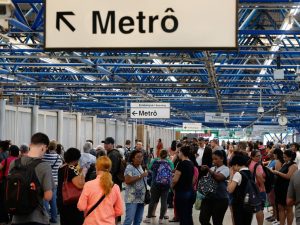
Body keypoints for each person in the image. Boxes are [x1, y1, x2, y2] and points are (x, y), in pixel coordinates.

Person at [9, 132, 54, 225]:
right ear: (43, 147)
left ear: (30, 145)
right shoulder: (44, 166)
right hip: (37, 217)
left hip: (16, 217)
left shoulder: (14, 163)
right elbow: (48, 196)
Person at [77, 156, 124, 225]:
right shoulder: (115, 187)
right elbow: (119, 211)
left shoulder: (88, 185)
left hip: (91, 222)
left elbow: (81, 207)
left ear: (96, 167)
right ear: (109, 168)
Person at [144, 149, 173, 224]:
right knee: (164, 202)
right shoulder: (170, 162)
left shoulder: (155, 161)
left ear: (159, 154)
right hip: (166, 185)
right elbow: (172, 172)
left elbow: (149, 169)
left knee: (152, 201)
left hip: (155, 184)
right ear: (167, 155)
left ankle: (149, 218)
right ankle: (160, 219)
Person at [200, 150, 229, 225]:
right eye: (213, 159)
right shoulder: (212, 168)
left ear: (222, 158)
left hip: (220, 199)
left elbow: (219, 177)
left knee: (217, 221)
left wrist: (208, 170)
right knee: (203, 219)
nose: (214, 161)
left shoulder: (226, 169)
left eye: (216, 159)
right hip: (209, 198)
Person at [57, 147, 85, 225]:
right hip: (72, 202)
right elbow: (80, 185)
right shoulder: (72, 169)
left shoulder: (62, 167)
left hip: (62, 200)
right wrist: (83, 174)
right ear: (76, 158)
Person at [272, 150, 298, 225]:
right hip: (280, 188)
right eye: (283, 157)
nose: (284, 158)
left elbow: (288, 176)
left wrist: (277, 172)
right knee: (280, 208)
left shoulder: (294, 166)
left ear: (290, 157)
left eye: (285, 157)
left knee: (288, 209)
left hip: (287, 189)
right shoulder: (285, 164)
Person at [227, 154, 254, 225]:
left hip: (239, 205)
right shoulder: (250, 173)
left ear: (236, 165)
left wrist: (231, 176)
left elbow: (230, 190)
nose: (233, 168)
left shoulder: (238, 174)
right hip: (250, 203)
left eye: (232, 166)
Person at [171, 145, 194, 225]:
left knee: (182, 215)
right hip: (190, 191)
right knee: (188, 214)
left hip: (181, 192)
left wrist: (171, 186)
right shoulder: (191, 163)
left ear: (182, 153)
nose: (178, 154)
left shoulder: (181, 164)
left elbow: (175, 180)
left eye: (179, 152)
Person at [123, 150, 148, 225]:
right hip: (131, 199)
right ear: (133, 158)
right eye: (138, 157)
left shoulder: (140, 167)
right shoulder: (129, 167)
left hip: (141, 198)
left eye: (141, 157)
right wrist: (141, 176)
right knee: (129, 220)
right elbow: (127, 180)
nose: (140, 159)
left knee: (138, 220)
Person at [43, 140, 63, 223]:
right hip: (55, 181)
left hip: (45, 180)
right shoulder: (59, 157)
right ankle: (54, 218)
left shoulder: (44, 156)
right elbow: (60, 168)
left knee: (45, 200)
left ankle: (46, 217)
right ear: (55, 147)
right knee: (53, 200)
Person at [0, 145, 19, 224]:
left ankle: (4, 219)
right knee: (15, 200)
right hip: (18, 183)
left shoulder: (6, 160)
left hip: (6, 182)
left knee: (3, 200)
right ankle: (13, 219)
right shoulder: (20, 160)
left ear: (10, 152)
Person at [249, 150, 266, 225]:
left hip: (251, 189)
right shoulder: (258, 165)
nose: (259, 157)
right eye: (257, 156)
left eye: (260, 155)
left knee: (253, 208)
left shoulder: (249, 163)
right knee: (260, 209)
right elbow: (259, 177)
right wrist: (263, 188)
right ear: (252, 157)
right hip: (259, 189)